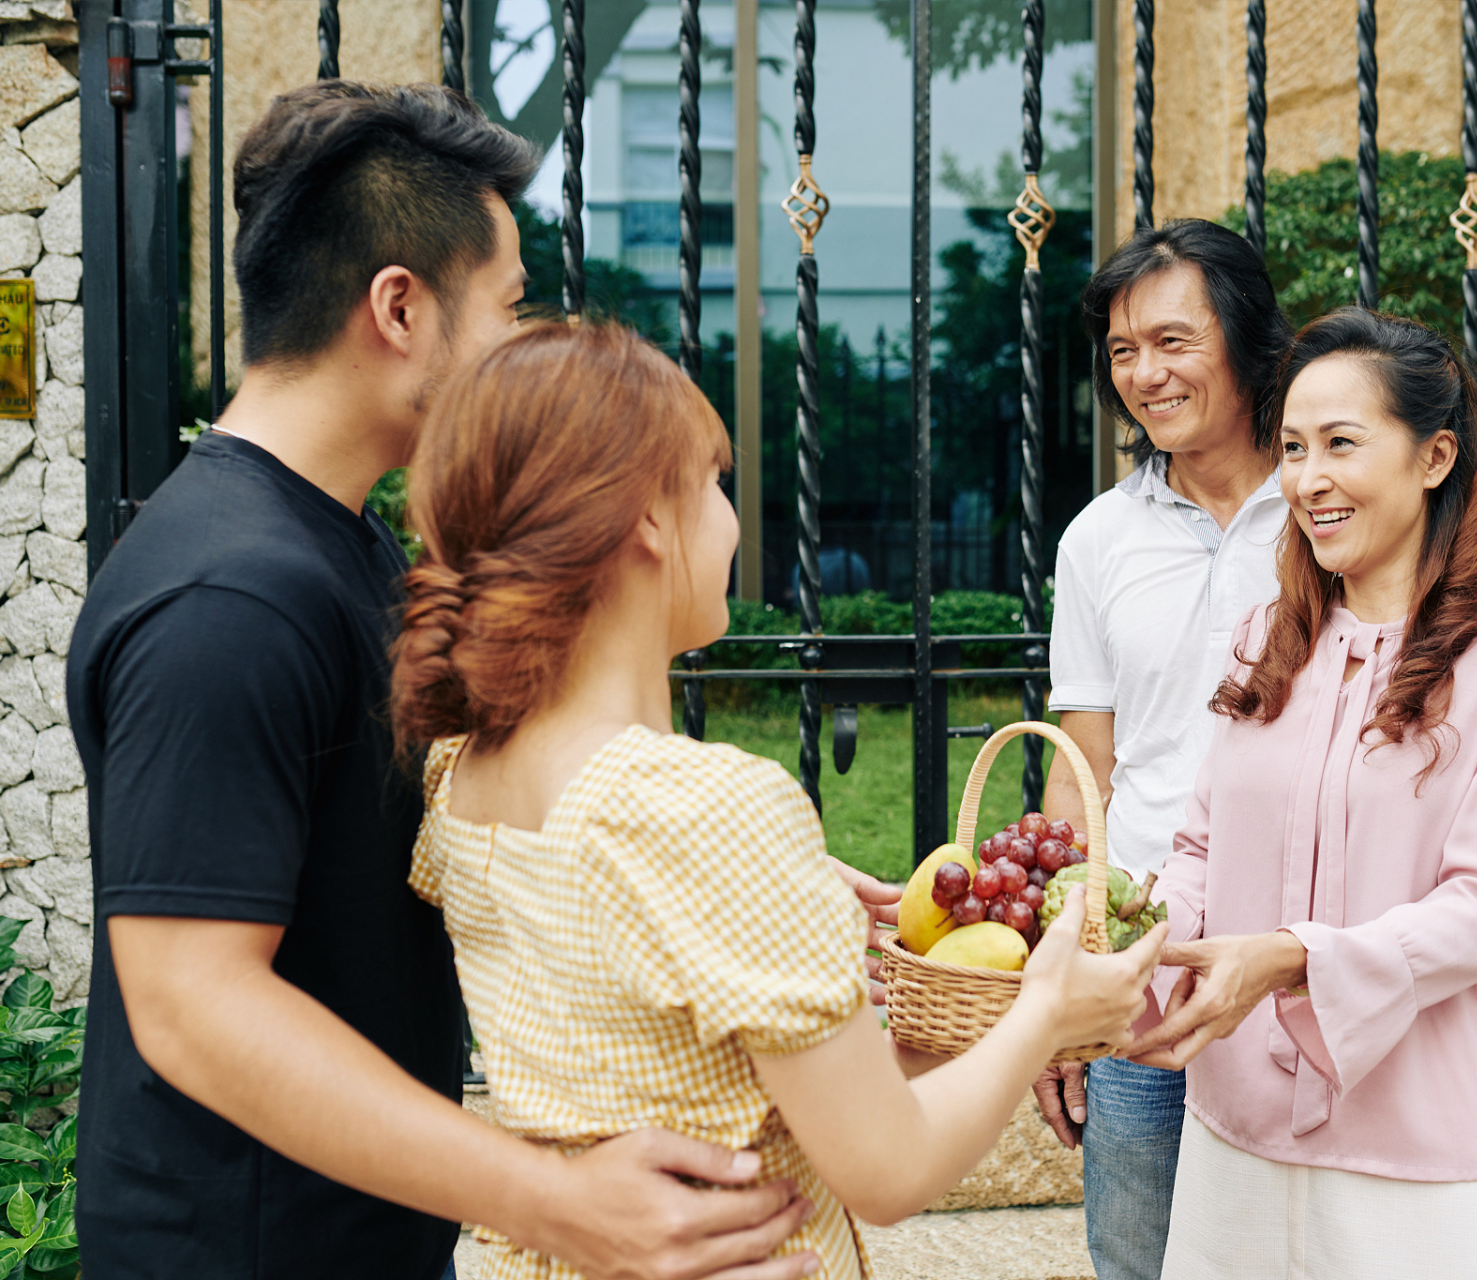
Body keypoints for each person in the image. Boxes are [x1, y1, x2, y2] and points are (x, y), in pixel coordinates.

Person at [69, 81, 880, 1280]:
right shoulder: (229, 597)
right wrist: (557, 1200)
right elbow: (193, 1003)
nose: (518, 343)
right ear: (399, 306)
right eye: (506, 306)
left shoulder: (335, 538)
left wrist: (746, 892)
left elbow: (460, 832)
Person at [388, 319, 1167, 1278]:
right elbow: (888, 1172)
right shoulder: (707, 809)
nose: (730, 516)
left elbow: (770, 1098)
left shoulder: (461, 764)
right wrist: (1047, 1011)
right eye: (714, 483)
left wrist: (928, 1009)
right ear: (645, 517)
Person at [1123, 309, 1477, 1278]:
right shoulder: (1264, 636)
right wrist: (1131, 961)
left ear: (1434, 456)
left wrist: (1288, 959)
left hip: (1419, 1169)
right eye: (1291, 447)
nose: (1307, 479)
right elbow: (1199, 850)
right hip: (1233, 1142)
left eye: (1340, 443)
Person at [1032, 219, 1291, 1280]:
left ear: (1244, 335)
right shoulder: (1099, 536)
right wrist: (1058, 987)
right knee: (1139, 1258)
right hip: (1144, 956)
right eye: (1124, 349)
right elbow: (1081, 761)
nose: (1145, 373)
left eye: (1173, 340)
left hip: (1295, 948)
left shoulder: (1329, 507)